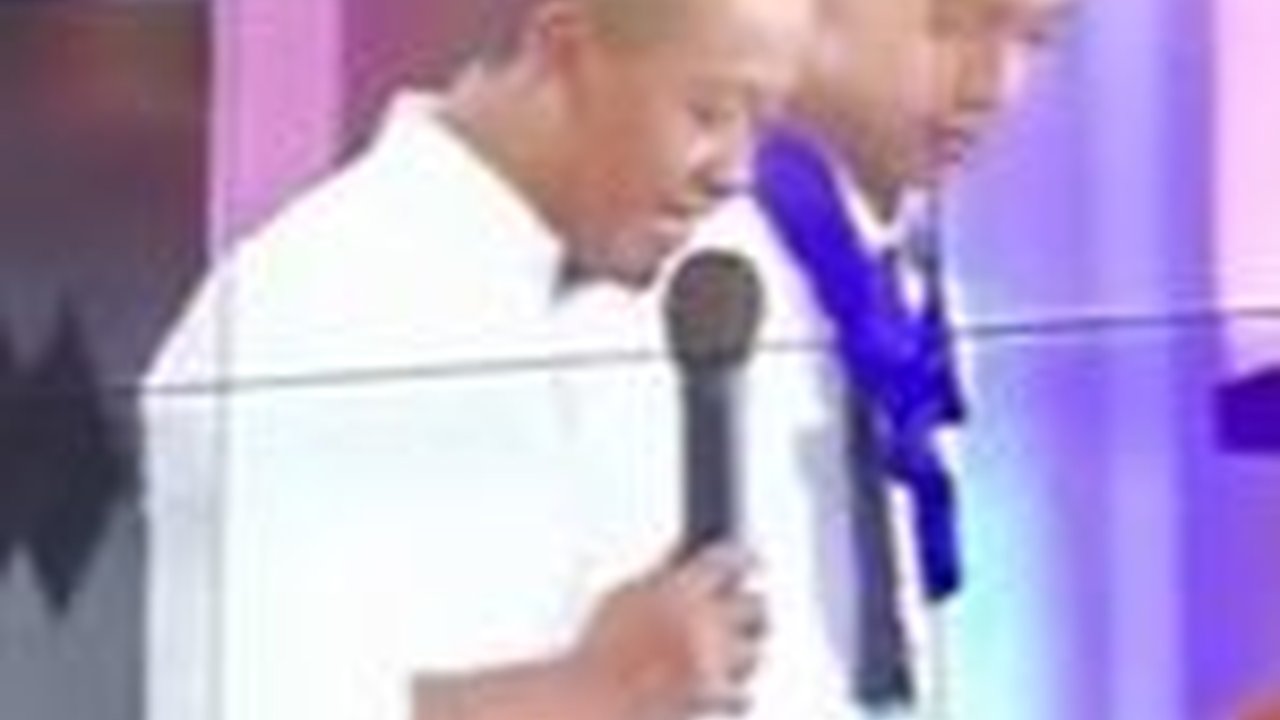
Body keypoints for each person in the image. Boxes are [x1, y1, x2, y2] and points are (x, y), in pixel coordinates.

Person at [140, 1, 817, 720]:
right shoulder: (307, 307)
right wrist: (592, 690)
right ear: (565, 50)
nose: (736, 172)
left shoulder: (663, 309)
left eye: (760, 127)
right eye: (709, 112)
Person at [687, 0, 1068, 714]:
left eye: (1035, 38)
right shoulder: (692, 270)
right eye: (950, 24)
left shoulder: (916, 280)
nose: (991, 86)